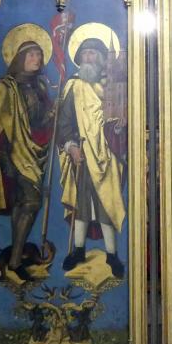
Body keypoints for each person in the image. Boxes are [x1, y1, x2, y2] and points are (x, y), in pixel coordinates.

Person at [58, 34, 127, 278]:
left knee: (107, 202)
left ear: (101, 59)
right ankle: (78, 250)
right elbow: (64, 122)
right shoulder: (74, 86)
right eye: (85, 54)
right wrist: (71, 146)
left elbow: (121, 121)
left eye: (93, 54)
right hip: (84, 151)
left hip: (108, 155)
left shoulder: (113, 86)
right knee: (82, 202)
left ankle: (112, 254)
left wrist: (119, 128)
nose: (88, 58)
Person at [0, 38, 53, 281]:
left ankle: (15, 257)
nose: (36, 59)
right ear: (20, 59)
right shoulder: (6, 87)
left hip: (36, 153)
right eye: (31, 55)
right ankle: (16, 259)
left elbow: (39, 122)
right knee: (30, 202)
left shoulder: (40, 86)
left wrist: (52, 113)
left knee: (23, 203)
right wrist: (5, 157)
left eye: (39, 55)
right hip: (15, 152)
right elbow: (1, 126)